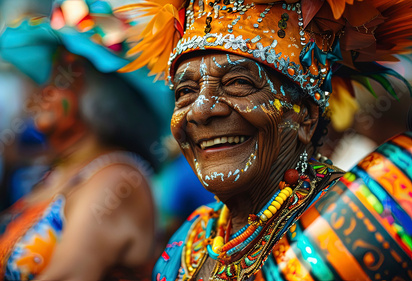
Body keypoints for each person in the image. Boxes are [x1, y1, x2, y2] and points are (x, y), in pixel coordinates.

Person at [116, 0, 412, 280]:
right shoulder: (188, 242)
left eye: (238, 83)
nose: (201, 110)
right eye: (186, 92)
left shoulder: (361, 216)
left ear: (305, 118)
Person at [0, 0, 172, 280]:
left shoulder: (118, 179)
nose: (43, 90)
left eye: (62, 79)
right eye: (48, 77)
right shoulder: (58, 173)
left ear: (104, 100)